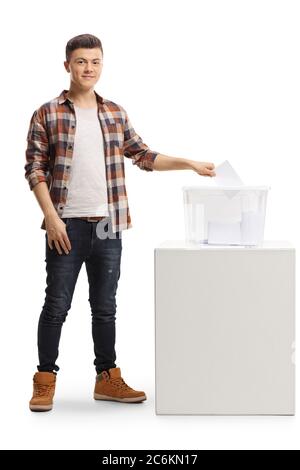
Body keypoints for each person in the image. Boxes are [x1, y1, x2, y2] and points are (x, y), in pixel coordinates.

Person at [25, 33, 216, 412]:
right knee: (57, 305)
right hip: (67, 226)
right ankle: (45, 379)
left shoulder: (114, 112)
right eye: (81, 61)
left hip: (108, 226)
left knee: (105, 306)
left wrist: (189, 163)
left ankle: (107, 378)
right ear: (67, 66)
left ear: (102, 65)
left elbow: (143, 155)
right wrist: (51, 217)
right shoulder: (47, 113)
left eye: (95, 62)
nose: (88, 68)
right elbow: (35, 168)